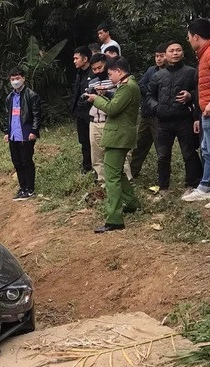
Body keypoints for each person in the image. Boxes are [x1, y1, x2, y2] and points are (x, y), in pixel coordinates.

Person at [86, 57, 140, 233]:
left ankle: (114, 218)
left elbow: (112, 109)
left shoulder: (128, 87)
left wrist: (95, 99)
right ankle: (132, 203)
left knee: (111, 177)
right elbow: (118, 103)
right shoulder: (127, 86)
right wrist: (106, 95)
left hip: (118, 137)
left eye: (110, 74)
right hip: (121, 136)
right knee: (118, 173)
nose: (110, 77)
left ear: (119, 71)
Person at [146, 40, 203, 194]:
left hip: (184, 120)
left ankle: (192, 184)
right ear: (165, 55)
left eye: (178, 50)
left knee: (189, 153)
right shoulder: (158, 75)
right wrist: (157, 107)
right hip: (163, 122)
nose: (175, 53)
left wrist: (190, 95)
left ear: (183, 53)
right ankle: (163, 187)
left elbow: (200, 91)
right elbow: (149, 94)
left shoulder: (191, 72)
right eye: (171, 51)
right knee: (163, 155)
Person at [182, 18, 210, 208]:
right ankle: (206, 187)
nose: (188, 41)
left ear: (196, 37)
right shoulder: (206, 54)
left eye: (189, 37)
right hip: (207, 114)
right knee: (208, 151)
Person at [88, 53, 133, 185]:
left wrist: (105, 93)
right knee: (97, 155)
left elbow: (119, 101)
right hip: (94, 120)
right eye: (94, 69)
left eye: (99, 68)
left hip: (110, 121)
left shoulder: (118, 83)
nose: (97, 71)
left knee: (117, 154)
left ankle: (126, 181)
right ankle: (102, 182)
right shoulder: (92, 82)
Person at [3, 67, 41, 201]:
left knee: (26, 161)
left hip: (26, 134)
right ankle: (22, 187)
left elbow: (36, 115)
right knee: (17, 162)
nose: (15, 81)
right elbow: (7, 116)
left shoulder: (31, 95)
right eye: (12, 79)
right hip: (13, 135)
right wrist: (6, 132)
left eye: (17, 78)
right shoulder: (10, 97)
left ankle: (30, 189)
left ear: (23, 78)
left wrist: (34, 131)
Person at [130, 44, 167, 178]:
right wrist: (150, 94)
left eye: (161, 56)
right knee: (139, 145)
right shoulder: (151, 70)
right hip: (146, 114)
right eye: (156, 56)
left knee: (161, 148)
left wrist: (152, 95)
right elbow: (141, 84)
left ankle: (162, 176)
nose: (158, 59)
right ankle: (132, 172)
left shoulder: (171, 72)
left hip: (159, 116)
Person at [71, 46, 95, 173]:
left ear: (85, 59)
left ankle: (95, 166)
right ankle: (86, 166)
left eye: (76, 58)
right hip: (80, 112)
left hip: (91, 113)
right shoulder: (79, 73)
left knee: (93, 141)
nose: (74, 61)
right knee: (83, 140)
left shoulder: (93, 73)